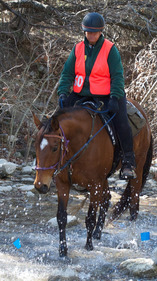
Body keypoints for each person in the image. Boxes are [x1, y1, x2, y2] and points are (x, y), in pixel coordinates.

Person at [57, 12, 136, 180]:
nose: (91, 35)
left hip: (107, 95)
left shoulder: (110, 49)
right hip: (81, 94)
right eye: (88, 32)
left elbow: (117, 76)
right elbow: (67, 74)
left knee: (122, 122)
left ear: (100, 32)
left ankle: (128, 162)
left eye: (94, 32)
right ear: (84, 31)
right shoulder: (78, 48)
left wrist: (115, 97)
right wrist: (63, 92)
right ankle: (56, 161)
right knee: (56, 121)